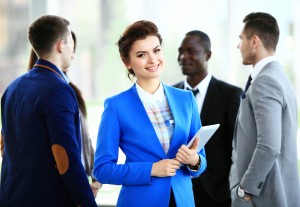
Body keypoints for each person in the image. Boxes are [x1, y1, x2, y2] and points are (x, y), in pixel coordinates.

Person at [93, 20, 207, 207]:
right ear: (126, 62)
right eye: (141, 55)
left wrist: (194, 160)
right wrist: (152, 169)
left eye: (156, 50)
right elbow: (103, 170)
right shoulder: (116, 106)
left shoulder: (186, 99)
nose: (153, 60)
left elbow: (200, 162)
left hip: (182, 201)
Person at [0, 15, 97, 206]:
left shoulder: (12, 88)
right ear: (61, 45)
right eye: (70, 44)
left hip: (10, 196)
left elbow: (5, 147)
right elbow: (65, 157)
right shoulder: (58, 89)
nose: (73, 52)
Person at [229, 12, 300, 207]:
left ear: (254, 41)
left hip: (261, 198)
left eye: (240, 39)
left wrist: (245, 189)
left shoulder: (265, 81)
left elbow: (269, 146)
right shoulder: (280, 77)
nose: (238, 45)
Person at [26, 31, 102, 198]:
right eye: (70, 48)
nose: (73, 54)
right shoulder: (44, 91)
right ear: (58, 48)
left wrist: (95, 178)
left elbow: (83, 137)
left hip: (74, 185)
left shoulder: (68, 89)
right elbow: (64, 151)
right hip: (50, 190)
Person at [173, 30, 242, 207]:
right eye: (180, 51)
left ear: (208, 55)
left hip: (216, 193)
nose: (183, 56)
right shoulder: (170, 95)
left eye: (191, 51)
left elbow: (237, 147)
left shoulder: (230, 95)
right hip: (177, 190)